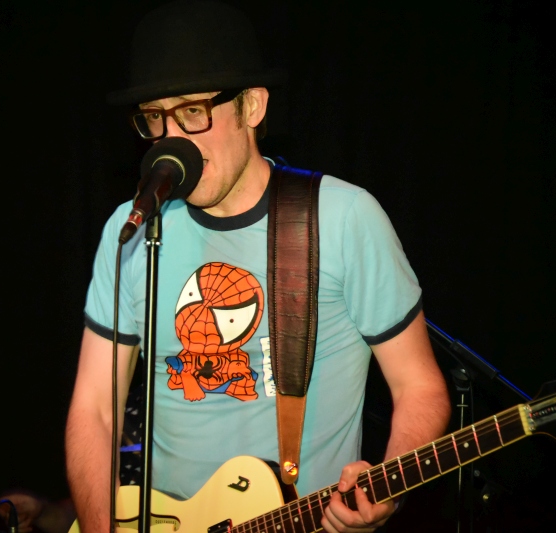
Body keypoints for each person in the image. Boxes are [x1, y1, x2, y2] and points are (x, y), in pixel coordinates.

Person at [64, 1, 452, 532]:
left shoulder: (341, 219)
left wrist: (387, 488)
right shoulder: (131, 228)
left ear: (252, 106)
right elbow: (94, 408)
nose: (172, 138)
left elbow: (420, 387)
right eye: (155, 117)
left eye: (192, 111)